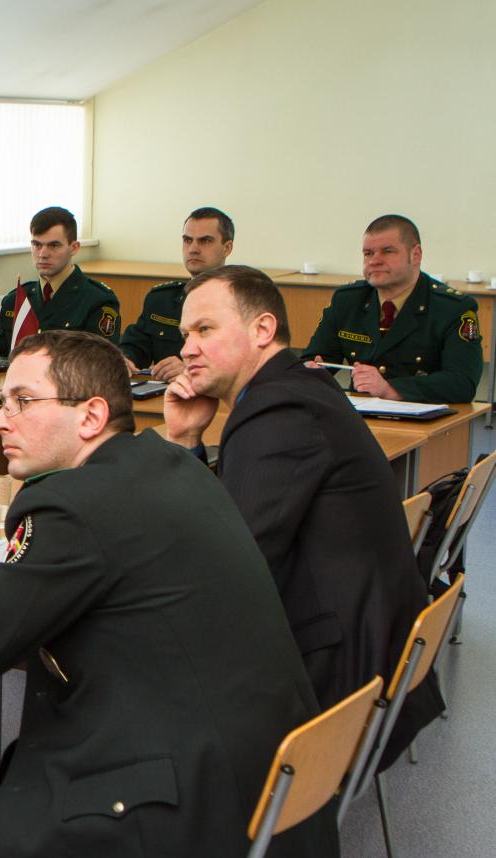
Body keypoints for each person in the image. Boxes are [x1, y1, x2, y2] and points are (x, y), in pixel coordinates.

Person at [0, 330, 333, 858]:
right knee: (15, 766)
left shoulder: (68, 506)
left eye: (23, 402)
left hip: (185, 812)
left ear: (91, 416)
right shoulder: (162, 463)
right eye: (0, 402)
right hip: (262, 779)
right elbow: (105, 578)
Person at [164, 264, 443, 762]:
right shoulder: (300, 386)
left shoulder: (276, 412)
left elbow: (228, 563)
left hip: (335, 683)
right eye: (185, 334)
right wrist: (188, 440)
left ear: (263, 329)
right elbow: (232, 527)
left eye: (205, 329)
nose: (187, 349)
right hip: (372, 658)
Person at [304, 214, 481, 403]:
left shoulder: (453, 308)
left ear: (416, 255)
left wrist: (390, 389)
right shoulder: (347, 301)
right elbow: (316, 358)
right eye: (368, 253)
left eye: (387, 251)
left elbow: (462, 382)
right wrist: (310, 370)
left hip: (423, 420)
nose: (374, 260)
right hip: (359, 418)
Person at [118, 206, 235, 381]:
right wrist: (124, 359)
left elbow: (244, 362)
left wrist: (192, 369)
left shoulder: (240, 301)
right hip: (165, 396)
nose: (193, 249)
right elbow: (137, 345)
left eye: (205, 241)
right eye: (187, 240)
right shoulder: (161, 300)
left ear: (227, 248)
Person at [0, 207, 120, 356]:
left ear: (74, 248)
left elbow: (100, 363)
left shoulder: (98, 300)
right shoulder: (15, 300)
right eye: (37, 245)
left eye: (53, 245)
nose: (42, 254)